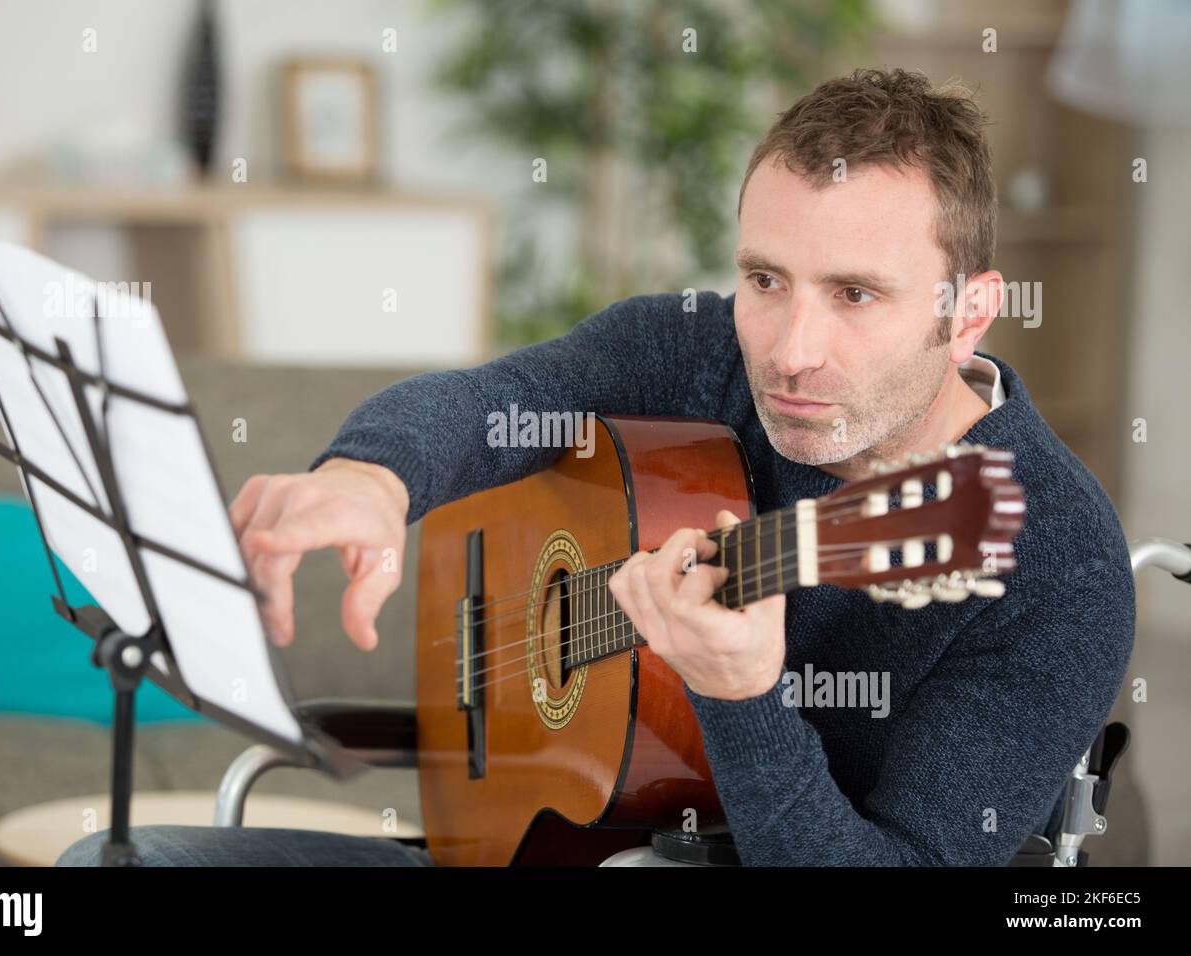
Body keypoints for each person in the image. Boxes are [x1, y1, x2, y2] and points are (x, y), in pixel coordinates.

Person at [58, 68, 1134, 867]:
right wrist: (370, 480)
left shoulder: (1058, 566)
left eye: (855, 294)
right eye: (766, 277)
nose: (790, 348)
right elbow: (497, 401)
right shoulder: (695, 348)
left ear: (970, 312)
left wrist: (743, 698)